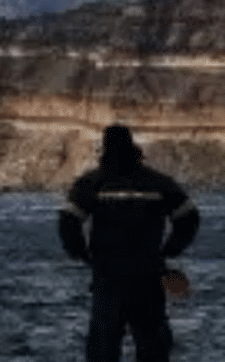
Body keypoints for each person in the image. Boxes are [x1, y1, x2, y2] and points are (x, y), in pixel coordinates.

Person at [58, 124, 200, 362]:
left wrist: (82, 254)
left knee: (104, 345)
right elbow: (189, 218)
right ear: (133, 146)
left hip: (108, 276)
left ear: (104, 148)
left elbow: (68, 222)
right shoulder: (158, 183)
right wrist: (170, 250)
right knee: (152, 343)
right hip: (148, 274)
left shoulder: (93, 182)